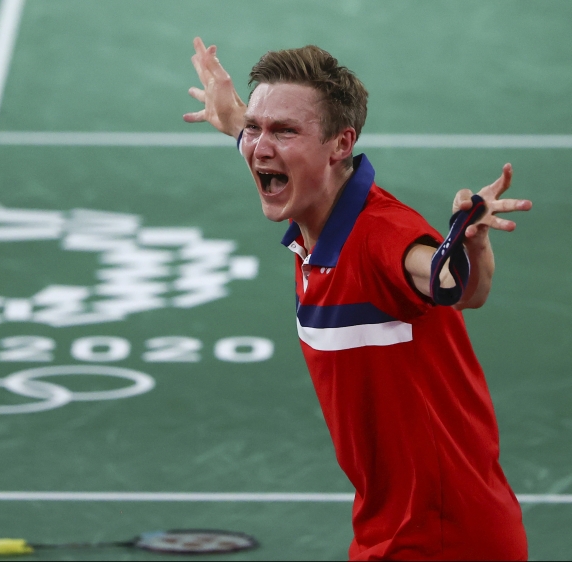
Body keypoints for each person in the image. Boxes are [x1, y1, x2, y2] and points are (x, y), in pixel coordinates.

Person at [184, 38, 532, 560]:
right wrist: (235, 118)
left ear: (341, 144)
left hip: (441, 536)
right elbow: (265, 142)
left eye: (283, 130)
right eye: (256, 129)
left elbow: (449, 282)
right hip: (390, 524)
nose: (260, 146)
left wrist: (467, 241)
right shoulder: (311, 193)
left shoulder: (379, 237)